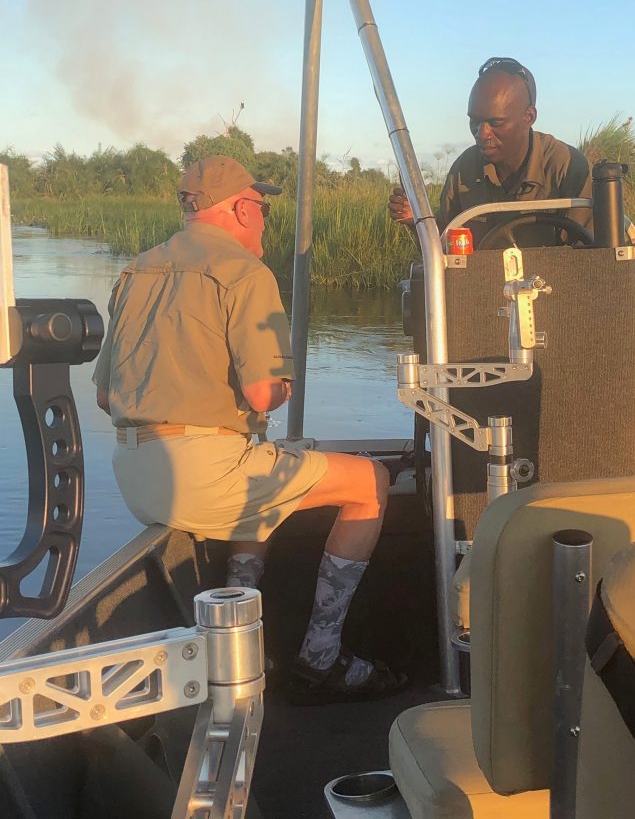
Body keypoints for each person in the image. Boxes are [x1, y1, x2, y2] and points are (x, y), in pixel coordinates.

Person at [93, 155, 405, 704]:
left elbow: (103, 394)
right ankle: (321, 655)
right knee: (369, 483)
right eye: (260, 208)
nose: (263, 220)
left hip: (134, 474)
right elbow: (264, 393)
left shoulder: (134, 270)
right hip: (199, 473)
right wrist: (280, 385)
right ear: (239, 208)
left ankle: (246, 641)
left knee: (256, 474)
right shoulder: (244, 272)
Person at [388, 57, 592, 246]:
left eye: (495, 122)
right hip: (480, 283)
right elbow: (445, 245)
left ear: (528, 117)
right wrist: (416, 220)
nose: (481, 134)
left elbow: (594, 260)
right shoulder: (464, 169)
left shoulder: (567, 167)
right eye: (474, 122)